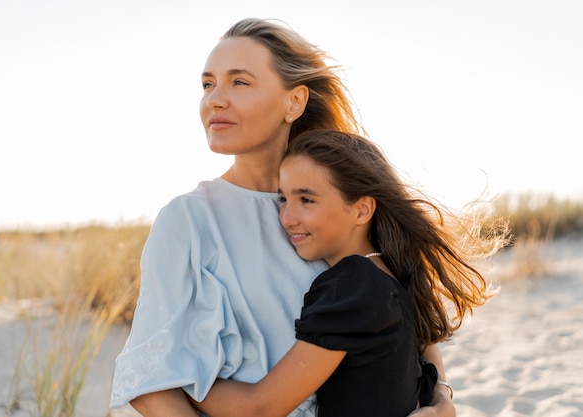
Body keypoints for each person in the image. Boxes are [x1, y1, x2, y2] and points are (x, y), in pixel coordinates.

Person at [110, 17, 459, 417]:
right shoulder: (187, 220)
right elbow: (150, 382)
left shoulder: (338, 199)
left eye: (239, 82)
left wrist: (442, 400)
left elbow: (411, 314)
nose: (215, 100)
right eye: (208, 84)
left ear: (294, 101)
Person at [187, 129, 506, 417]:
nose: (286, 217)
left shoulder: (354, 285)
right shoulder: (389, 271)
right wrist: (442, 398)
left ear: (362, 209)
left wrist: (183, 381)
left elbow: (261, 408)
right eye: (284, 199)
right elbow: (427, 348)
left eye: (306, 199)